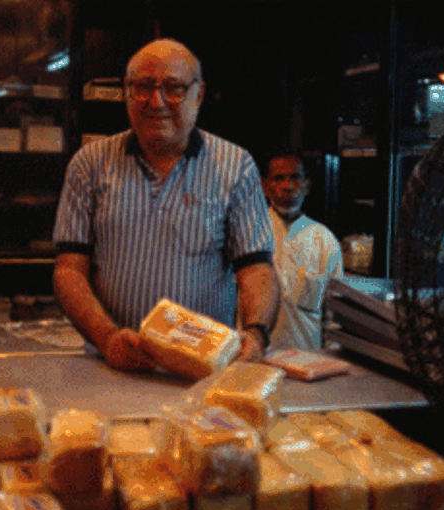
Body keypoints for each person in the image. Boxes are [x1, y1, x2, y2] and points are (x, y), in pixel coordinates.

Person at [52, 38, 280, 372]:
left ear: (198, 94)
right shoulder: (90, 164)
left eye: (173, 88)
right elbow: (69, 270)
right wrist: (108, 339)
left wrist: (256, 334)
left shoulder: (236, 166)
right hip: (113, 365)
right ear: (127, 92)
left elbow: (257, 269)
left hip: (203, 371)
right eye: (143, 87)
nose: (156, 101)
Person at [261, 151, 343, 351]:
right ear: (265, 186)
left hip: (309, 360)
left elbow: (336, 313)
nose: (287, 186)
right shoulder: (251, 231)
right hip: (257, 360)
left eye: (295, 177)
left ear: (307, 185)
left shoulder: (324, 240)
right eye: (278, 178)